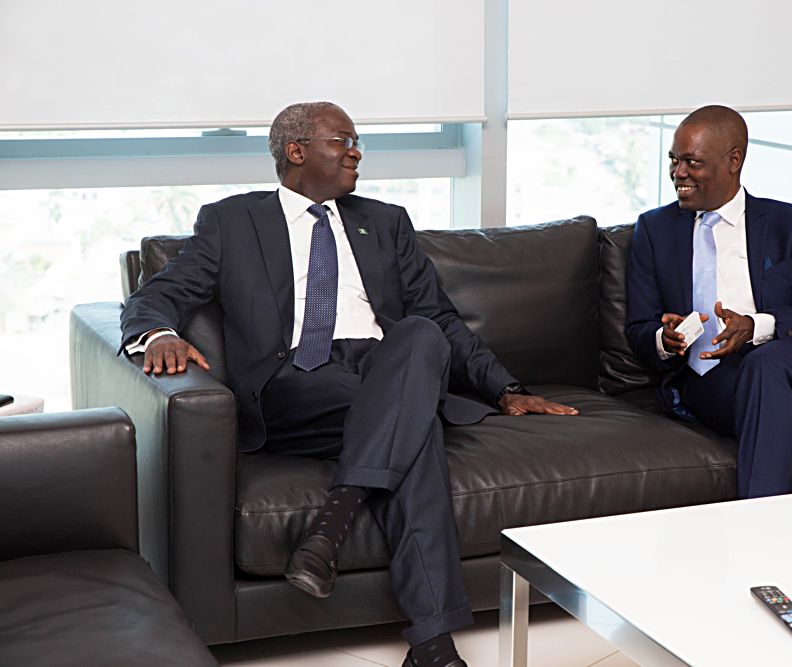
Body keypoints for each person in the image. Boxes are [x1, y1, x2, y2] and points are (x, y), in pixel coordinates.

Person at [120, 101, 578, 667]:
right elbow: (156, 295)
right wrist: (158, 334)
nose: (357, 151)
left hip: (387, 367)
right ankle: (432, 644)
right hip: (295, 378)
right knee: (417, 428)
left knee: (417, 337)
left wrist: (505, 389)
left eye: (357, 141)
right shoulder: (232, 221)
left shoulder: (384, 221)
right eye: (343, 141)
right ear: (296, 151)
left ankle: (335, 537)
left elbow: (438, 320)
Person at [625, 105, 792, 500]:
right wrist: (662, 338)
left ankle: (756, 525)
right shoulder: (653, 230)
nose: (677, 173)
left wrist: (757, 325)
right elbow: (638, 326)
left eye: (692, 162)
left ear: (733, 160)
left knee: (765, 363)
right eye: (674, 160)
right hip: (709, 375)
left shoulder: (790, 224)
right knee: (770, 400)